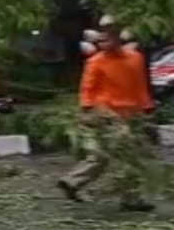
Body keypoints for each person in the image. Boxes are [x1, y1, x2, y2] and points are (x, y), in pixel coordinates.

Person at [58, 23, 155, 212]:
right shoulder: (95, 61)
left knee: (104, 155)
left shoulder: (135, 58)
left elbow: (140, 84)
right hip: (105, 112)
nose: (102, 43)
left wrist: (147, 107)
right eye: (100, 40)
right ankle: (131, 198)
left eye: (107, 39)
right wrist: (87, 108)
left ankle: (72, 181)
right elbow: (87, 87)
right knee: (129, 154)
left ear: (117, 38)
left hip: (130, 112)